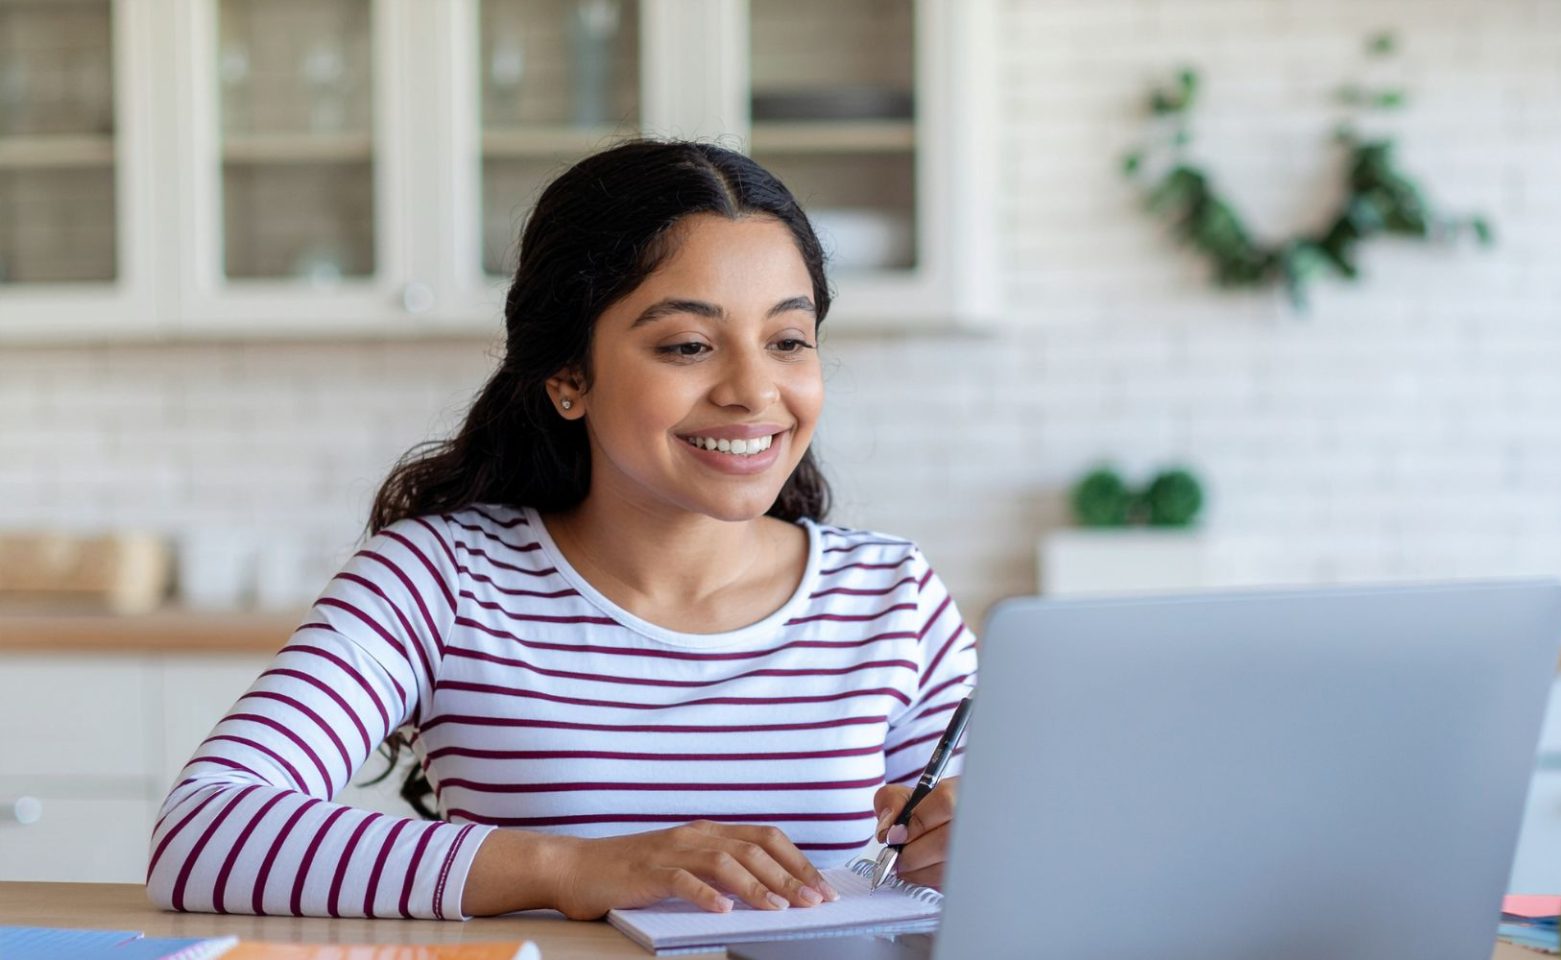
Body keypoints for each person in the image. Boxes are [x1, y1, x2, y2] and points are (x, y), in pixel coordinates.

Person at [144, 140, 978, 922]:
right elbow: (204, 833)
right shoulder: (441, 578)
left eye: (789, 341)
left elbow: (996, 872)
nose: (754, 392)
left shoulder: (892, 598)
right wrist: (574, 869)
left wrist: (970, 852)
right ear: (568, 376)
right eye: (688, 345)